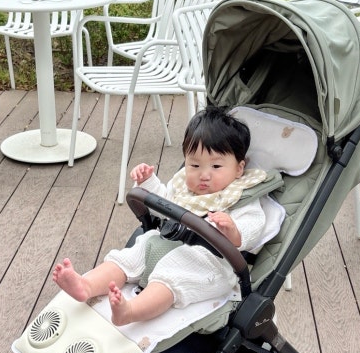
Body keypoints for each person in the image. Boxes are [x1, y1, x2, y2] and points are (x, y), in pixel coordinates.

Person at [52, 106, 273, 326]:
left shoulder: (241, 197)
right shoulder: (185, 188)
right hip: (166, 243)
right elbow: (164, 204)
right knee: (129, 256)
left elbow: (254, 225)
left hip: (208, 262)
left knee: (171, 277)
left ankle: (130, 311)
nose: (204, 175)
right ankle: (86, 285)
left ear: (239, 168)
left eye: (216, 166)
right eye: (195, 165)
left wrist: (233, 230)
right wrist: (147, 183)